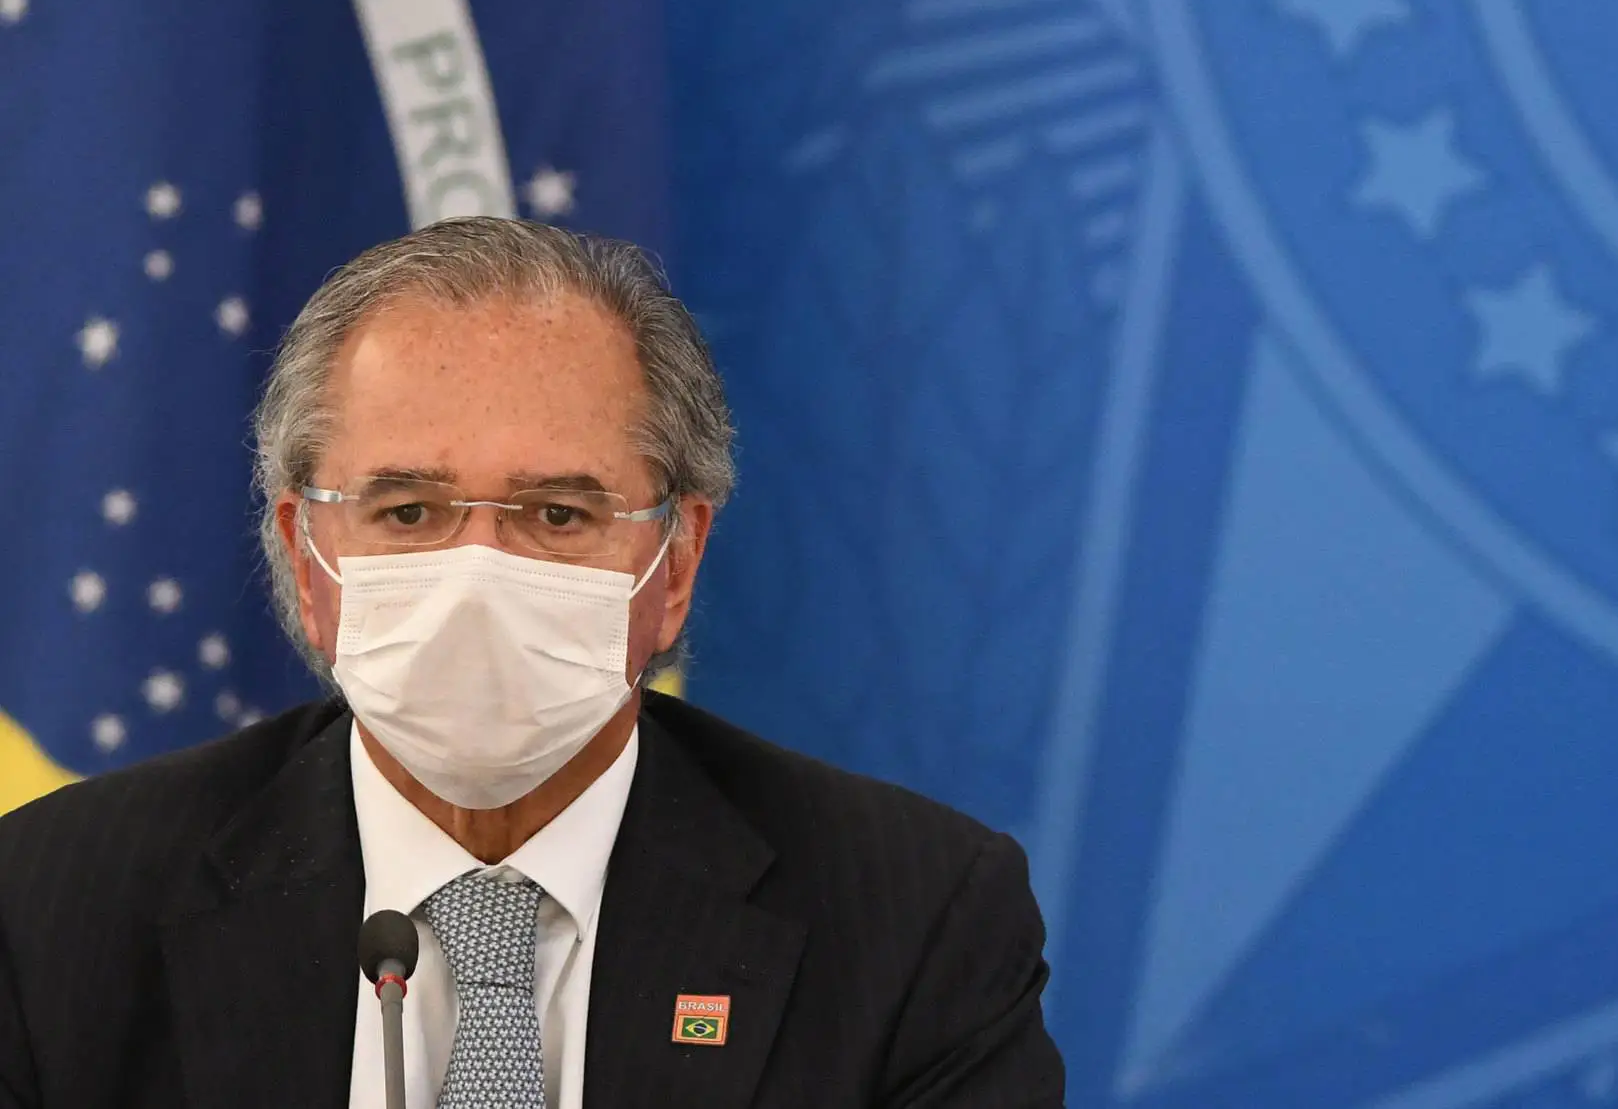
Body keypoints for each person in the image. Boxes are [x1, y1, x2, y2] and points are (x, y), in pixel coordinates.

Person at [0, 218, 1064, 1109]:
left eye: (557, 513)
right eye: (408, 512)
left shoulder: (912, 921)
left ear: (675, 563)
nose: (477, 577)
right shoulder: (53, 909)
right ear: (307, 557)